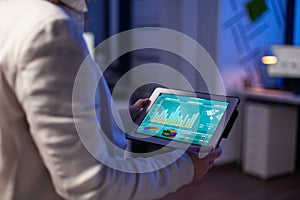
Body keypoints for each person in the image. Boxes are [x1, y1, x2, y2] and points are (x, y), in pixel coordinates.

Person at [0, 0, 222, 199]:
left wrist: (122, 116)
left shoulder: (10, 15)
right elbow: (92, 185)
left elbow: (32, 125)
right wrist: (183, 168)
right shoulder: (49, 27)